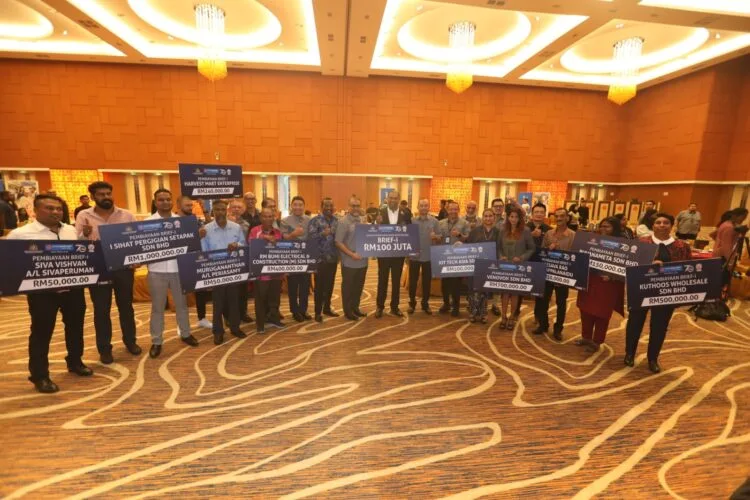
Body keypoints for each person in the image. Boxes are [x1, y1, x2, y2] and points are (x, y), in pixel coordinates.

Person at [7, 194, 93, 393]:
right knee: (41, 331)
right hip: (42, 293)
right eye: (49, 208)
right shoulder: (21, 234)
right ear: (36, 210)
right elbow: (10, 262)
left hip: (73, 289)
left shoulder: (70, 230)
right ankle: (40, 375)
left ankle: (75, 361)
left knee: (75, 326)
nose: (55, 212)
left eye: (58, 209)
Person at [76, 181, 141, 364]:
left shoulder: (126, 215)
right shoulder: (84, 215)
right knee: (101, 310)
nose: (106, 197)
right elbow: (77, 244)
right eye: (101, 194)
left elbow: (135, 240)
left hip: (123, 268)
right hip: (98, 269)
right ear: (93, 197)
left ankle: (130, 341)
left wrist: (136, 259)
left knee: (126, 307)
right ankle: (104, 349)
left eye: (108, 193)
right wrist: (84, 234)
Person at [625, 213, 692, 373]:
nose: (662, 225)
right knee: (634, 323)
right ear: (653, 225)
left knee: (660, 326)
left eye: (666, 222)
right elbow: (630, 263)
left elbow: (687, 269)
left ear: (672, 226)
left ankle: (653, 358)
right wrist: (649, 264)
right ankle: (629, 353)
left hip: (666, 292)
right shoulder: (641, 242)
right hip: (642, 289)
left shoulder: (682, 246)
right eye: (658, 222)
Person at [145, 189, 198, 358]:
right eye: (161, 200)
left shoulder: (182, 222)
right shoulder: (146, 224)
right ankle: (156, 341)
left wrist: (198, 236)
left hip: (178, 270)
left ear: (172, 202)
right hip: (156, 271)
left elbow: (190, 245)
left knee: (182, 305)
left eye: (168, 199)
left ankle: (185, 333)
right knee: (157, 308)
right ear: (155, 202)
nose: (165, 202)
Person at [200, 199, 247, 344]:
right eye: (217, 210)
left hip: (233, 269)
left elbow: (244, 244)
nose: (220, 212)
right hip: (216, 271)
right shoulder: (206, 230)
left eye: (222, 209)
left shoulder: (236, 227)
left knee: (234, 301)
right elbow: (204, 252)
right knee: (218, 303)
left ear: (226, 211)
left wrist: (237, 244)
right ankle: (218, 331)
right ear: (213, 212)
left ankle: (235, 328)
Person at [575, 217, 625, 352]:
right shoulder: (592, 240)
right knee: (585, 310)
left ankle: (597, 341)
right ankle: (586, 337)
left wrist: (613, 275)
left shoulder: (623, 245)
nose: (603, 229)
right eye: (602, 226)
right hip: (590, 280)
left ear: (614, 228)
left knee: (601, 313)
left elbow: (627, 265)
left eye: (607, 226)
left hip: (608, 284)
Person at [532, 208, 576, 340]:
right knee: (543, 301)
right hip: (548, 272)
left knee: (561, 303)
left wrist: (560, 250)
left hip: (563, 274)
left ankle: (558, 329)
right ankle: (543, 325)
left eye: (562, 216)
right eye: (557, 216)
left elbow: (575, 256)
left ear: (567, 218)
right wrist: (548, 248)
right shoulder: (549, 233)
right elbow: (542, 252)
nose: (559, 218)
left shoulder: (573, 235)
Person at [496, 206, 536, 330]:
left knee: (514, 293)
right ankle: (503, 316)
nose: (513, 219)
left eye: (516, 217)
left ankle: (512, 317)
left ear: (520, 218)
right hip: (505, 266)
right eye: (511, 216)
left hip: (518, 267)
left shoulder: (526, 231)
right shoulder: (502, 230)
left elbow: (532, 248)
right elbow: (498, 247)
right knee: (504, 293)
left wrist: (522, 258)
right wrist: (500, 256)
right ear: (508, 217)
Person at [374, 190, 412, 318]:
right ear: (387, 199)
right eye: (391, 198)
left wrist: (408, 251)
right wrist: (377, 223)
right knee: (382, 280)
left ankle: (395, 307)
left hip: (398, 253)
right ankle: (380, 306)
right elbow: (373, 231)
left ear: (399, 199)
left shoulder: (405, 213)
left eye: (395, 198)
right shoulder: (380, 212)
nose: (393, 200)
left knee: (396, 281)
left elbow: (410, 232)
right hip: (384, 253)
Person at [178, 195, 213, 330]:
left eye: (191, 205)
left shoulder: (195, 219)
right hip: (180, 260)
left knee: (201, 291)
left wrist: (204, 209)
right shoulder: (173, 221)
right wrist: (196, 236)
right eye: (187, 205)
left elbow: (209, 226)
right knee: (181, 294)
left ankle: (202, 318)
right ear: (179, 206)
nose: (190, 208)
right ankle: (181, 324)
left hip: (197, 258)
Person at [249, 208, 285, 334]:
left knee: (275, 298)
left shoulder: (278, 232)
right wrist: (264, 238)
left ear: (273, 218)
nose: (268, 219)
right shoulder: (254, 231)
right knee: (261, 299)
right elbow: (251, 246)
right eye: (265, 216)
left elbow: (283, 250)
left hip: (276, 272)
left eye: (270, 216)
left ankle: (274, 319)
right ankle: (260, 324)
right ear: (260, 217)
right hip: (261, 273)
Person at [335, 196, 369, 321]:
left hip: (363, 261)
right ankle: (348, 311)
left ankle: (355, 308)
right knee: (348, 287)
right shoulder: (343, 222)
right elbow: (338, 242)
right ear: (348, 207)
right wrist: (351, 254)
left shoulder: (362, 220)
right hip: (349, 261)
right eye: (353, 206)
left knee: (358, 286)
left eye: (357, 206)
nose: (355, 208)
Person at [308, 197, 340, 322]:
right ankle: (317, 312)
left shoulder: (337, 221)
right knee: (319, 287)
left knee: (330, 285)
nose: (329, 208)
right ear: (321, 207)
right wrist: (323, 234)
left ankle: (327, 308)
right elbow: (310, 238)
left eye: (331, 205)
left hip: (333, 258)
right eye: (326, 205)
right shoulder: (315, 221)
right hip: (320, 260)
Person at [282, 196, 312, 322]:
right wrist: (293, 234)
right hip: (292, 257)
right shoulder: (285, 221)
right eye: (295, 204)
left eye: (300, 205)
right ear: (291, 206)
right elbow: (282, 239)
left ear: (304, 207)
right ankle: (295, 311)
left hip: (306, 257)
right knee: (293, 286)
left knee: (305, 286)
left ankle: (303, 310)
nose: (298, 207)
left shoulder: (309, 220)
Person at [437, 201, 470, 316]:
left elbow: (469, 239)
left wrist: (460, 235)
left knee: (456, 284)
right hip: (444, 257)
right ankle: (446, 303)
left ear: (459, 210)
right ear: (447, 210)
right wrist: (436, 238)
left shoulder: (465, 223)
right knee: (444, 283)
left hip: (458, 258)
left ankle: (456, 307)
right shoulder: (440, 223)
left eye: (455, 209)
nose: (453, 211)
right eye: (451, 209)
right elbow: (438, 238)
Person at [409, 198, 440, 315]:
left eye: (426, 205)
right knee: (413, 281)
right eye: (421, 205)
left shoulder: (435, 221)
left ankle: (425, 303)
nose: (423, 208)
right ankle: (412, 303)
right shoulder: (412, 221)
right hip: (414, 256)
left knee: (427, 282)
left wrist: (436, 237)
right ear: (418, 207)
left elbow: (440, 237)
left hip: (429, 256)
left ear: (429, 207)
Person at [467, 208, 499, 323]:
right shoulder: (475, 231)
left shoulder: (498, 232)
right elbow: (468, 246)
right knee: (474, 289)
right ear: (482, 217)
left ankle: (483, 313)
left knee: (485, 290)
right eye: (486, 216)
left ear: (494, 218)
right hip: (476, 264)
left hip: (491, 265)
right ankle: (473, 312)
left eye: (490, 216)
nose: (488, 218)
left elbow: (501, 248)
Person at [712, 207, 749, 288]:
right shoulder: (729, 228)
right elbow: (727, 246)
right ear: (736, 215)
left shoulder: (725, 224)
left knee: (718, 280)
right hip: (724, 257)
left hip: (719, 254)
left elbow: (714, 236)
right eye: (743, 217)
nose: (743, 220)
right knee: (721, 281)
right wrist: (730, 262)